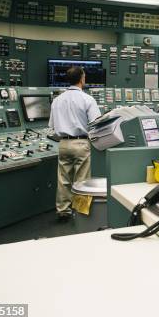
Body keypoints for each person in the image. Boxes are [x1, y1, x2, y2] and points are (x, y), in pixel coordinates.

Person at [48, 66, 101, 221]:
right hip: (81, 143)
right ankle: (79, 212)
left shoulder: (57, 100)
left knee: (63, 179)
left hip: (63, 143)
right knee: (82, 181)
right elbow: (95, 123)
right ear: (82, 79)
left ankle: (63, 211)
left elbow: (51, 125)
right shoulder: (87, 99)